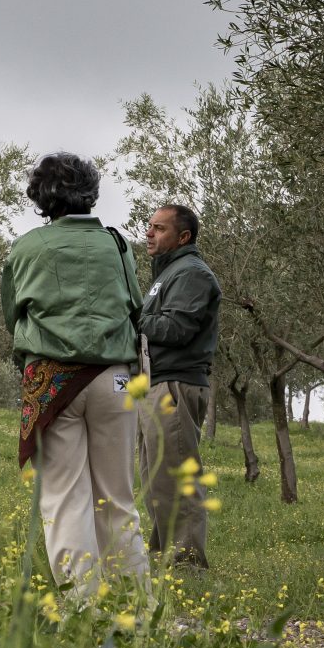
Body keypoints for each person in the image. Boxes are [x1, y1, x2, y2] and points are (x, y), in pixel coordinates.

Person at [0, 152, 148, 605]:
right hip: (114, 379)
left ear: (41, 199)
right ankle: (136, 607)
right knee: (118, 498)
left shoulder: (26, 247)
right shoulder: (117, 244)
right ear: (90, 193)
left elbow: (12, 314)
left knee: (65, 499)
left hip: (53, 384)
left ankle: (81, 608)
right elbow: (136, 305)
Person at [135, 201, 222, 566]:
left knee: (176, 478)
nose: (149, 233)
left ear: (183, 236)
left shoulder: (191, 274)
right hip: (156, 384)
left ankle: (186, 566)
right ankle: (165, 559)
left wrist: (132, 321)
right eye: (150, 226)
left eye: (160, 228)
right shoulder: (167, 274)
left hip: (175, 385)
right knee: (157, 481)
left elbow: (176, 329)